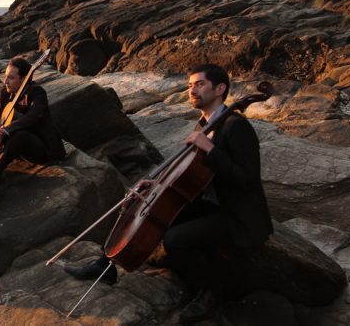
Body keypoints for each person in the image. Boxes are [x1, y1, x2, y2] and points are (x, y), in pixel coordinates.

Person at [63, 64, 272, 324]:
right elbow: (190, 173)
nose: (192, 90)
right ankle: (106, 265)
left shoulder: (236, 127)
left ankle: (211, 290)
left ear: (220, 89)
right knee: (141, 206)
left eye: (199, 84)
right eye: (189, 85)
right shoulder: (205, 124)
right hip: (210, 202)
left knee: (174, 239)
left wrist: (211, 150)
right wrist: (153, 183)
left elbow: (247, 179)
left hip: (236, 214)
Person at [0, 57, 66, 193]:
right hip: (12, 145)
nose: (6, 81)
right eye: (6, 77)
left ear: (23, 80)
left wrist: (4, 131)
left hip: (39, 148)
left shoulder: (37, 93)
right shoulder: (5, 93)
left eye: (11, 78)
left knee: (19, 135)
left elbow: (32, 118)